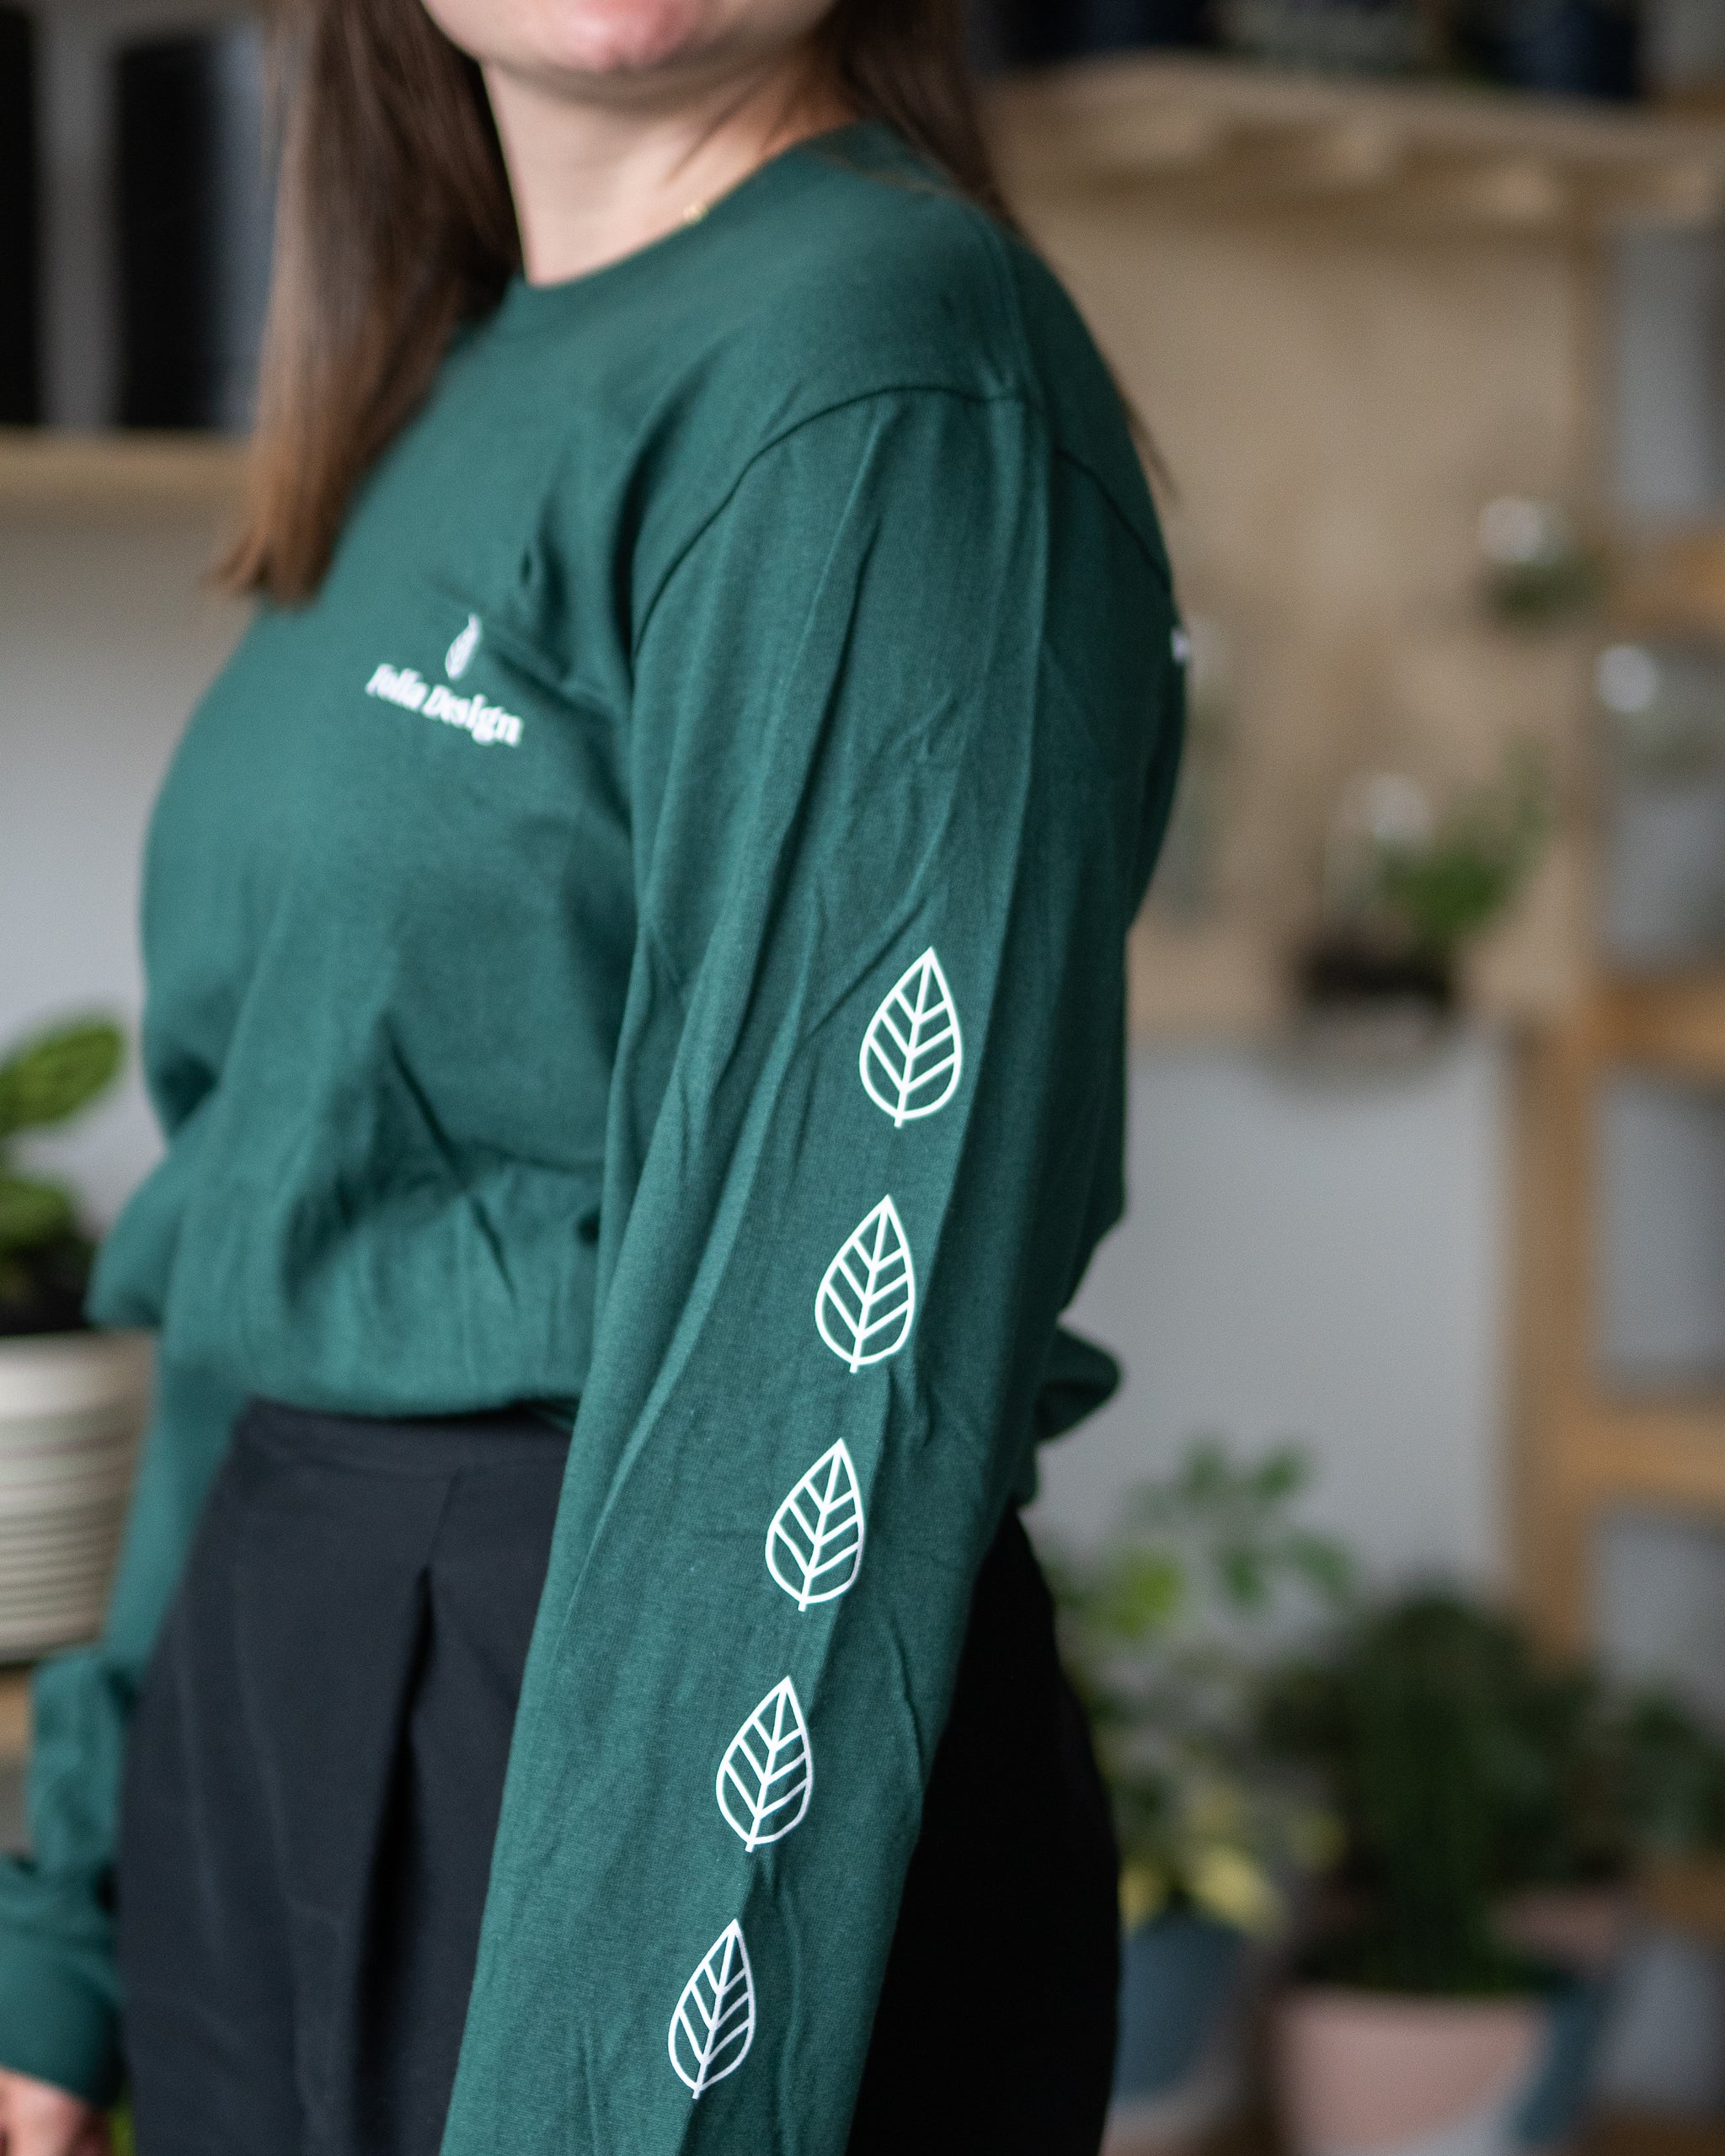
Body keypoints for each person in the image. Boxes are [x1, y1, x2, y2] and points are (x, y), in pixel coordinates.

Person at [0, 0, 1185, 2149]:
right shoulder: (446, 373)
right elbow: (262, 1230)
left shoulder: (881, 358)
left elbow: (807, 1376)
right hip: (283, 1694)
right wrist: (66, 1927)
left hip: (640, 1754)